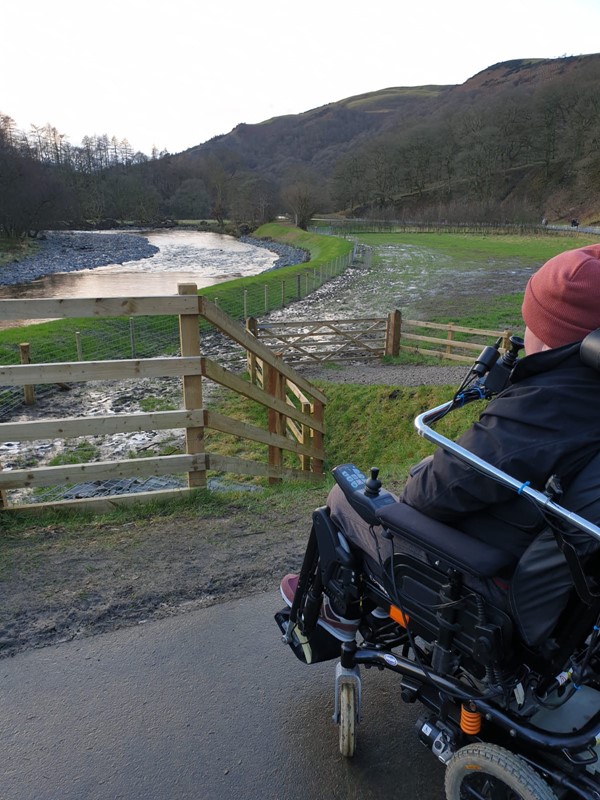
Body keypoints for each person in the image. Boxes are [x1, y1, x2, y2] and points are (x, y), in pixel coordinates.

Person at [281, 244, 600, 640]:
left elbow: (426, 495)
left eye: (531, 320)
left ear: (553, 334)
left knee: (344, 497)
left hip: (489, 584)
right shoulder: (585, 396)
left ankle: (338, 614)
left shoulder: (545, 407)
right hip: (565, 591)